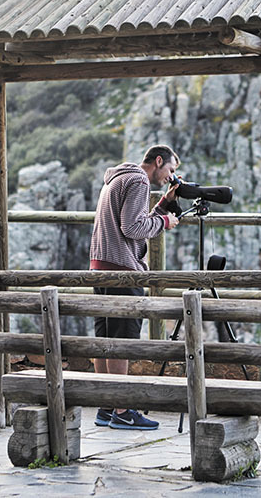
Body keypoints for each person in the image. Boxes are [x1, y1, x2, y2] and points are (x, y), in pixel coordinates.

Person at [90, 144, 180, 430]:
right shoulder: (140, 180)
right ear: (157, 161)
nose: (171, 176)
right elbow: (132, 228)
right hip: (121, 271)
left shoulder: (118, 178)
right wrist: (165, 221)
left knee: (105, 339)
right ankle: (123, 410)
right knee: (123, 340)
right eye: (171, 169)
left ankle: (106, 406)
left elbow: (130, 221)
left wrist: (162, 205)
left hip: (100, 267)